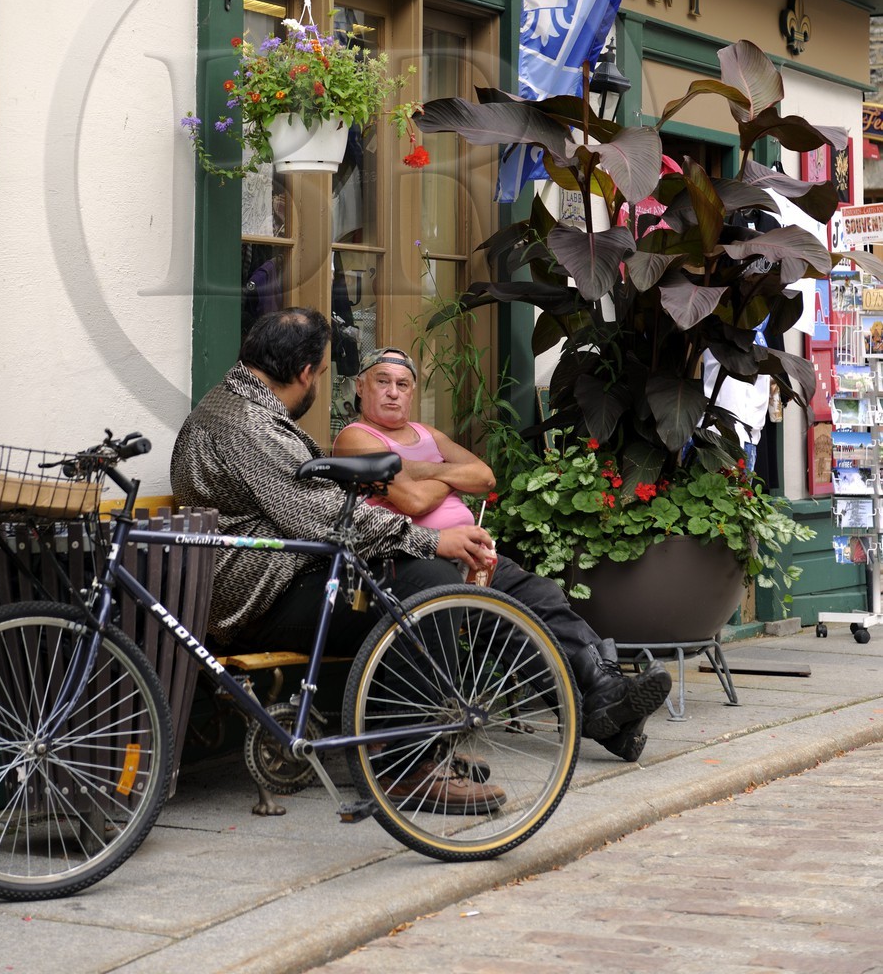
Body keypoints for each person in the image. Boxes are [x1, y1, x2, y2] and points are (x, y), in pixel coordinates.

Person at [170, 311, 671, 786]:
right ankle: (408, 763)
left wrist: (428, 503)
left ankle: (605, 708)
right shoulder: (249, 425)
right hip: (261, 598)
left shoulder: (246, 411)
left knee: (503, 587)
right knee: (432, 582)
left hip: (288, 578)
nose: (320, 383)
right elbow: (328, 515)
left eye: (402, 384)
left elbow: (471, 478)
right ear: (304, 372)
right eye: (322, 373)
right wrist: (433, 537)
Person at [333, 346, 672, 761]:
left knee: (543, 597)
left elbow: (484, 475)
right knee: (507, 627)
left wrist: (420, 468)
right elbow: (415, 503)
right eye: (382, 382)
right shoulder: (355, 438)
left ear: (413, 392)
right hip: (414, 562)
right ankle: (608, 717)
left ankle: (605, 691)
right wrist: (449, 477)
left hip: (473, 557)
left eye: (402, 385)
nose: (392, 393)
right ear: (360, 388)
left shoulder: (427, 435)